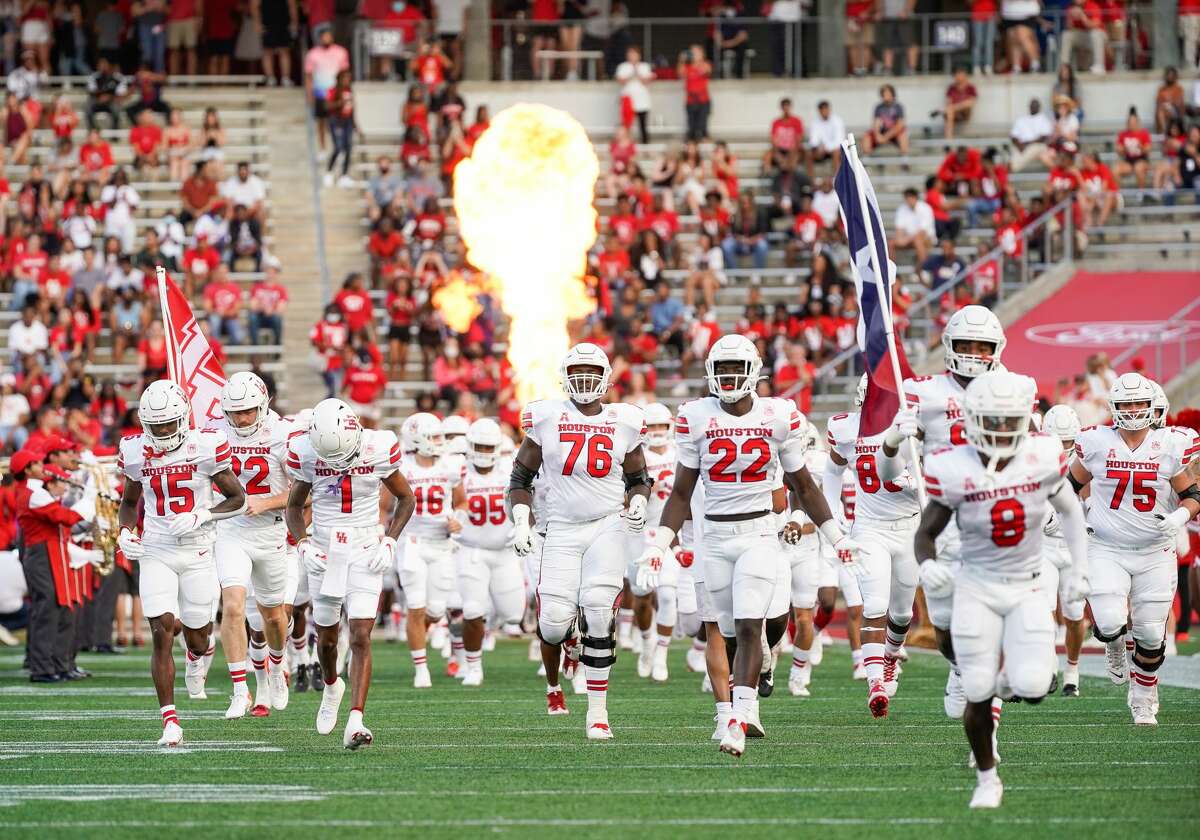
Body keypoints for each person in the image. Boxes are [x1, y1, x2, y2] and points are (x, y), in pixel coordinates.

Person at [642, 335, 860, 757]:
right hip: (715, 537)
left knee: (748, 626)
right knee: (725, 631)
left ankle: (740, 719)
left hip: (760, 534)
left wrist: (837, 536)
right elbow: (682, 494)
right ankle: (733, 711)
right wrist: (659, 544)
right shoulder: (695, 417)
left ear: (754, 372)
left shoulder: (778, 416)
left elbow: (804, 485)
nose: (727, 377)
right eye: (720, 369)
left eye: (734, 369)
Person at [913, 370, 1090, 809]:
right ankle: (987, 777)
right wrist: (928, 563)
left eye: (1010, 420)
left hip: (1029, 584)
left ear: (1024, 420)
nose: (1001, 430)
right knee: (975, 686)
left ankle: (1004, 682)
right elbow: (926, 531)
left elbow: (1070, 513)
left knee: (1032, 683)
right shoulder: (953, 466)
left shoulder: (1041, 456)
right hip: (976, 585)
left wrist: (1080, 568)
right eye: (992, 420)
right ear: (973, 420)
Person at [884, 306, 1011, 740]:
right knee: (943, 625)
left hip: (995, 515)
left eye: (983, 346)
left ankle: (986, 707)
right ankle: (960, 667)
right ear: (949, 347)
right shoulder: (921, 393)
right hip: (942, 522)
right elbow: (886, 476)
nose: (974, 355)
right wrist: (893, 442)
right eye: (966, 345)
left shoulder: (1014, 390)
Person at [508, 343, 648, 734]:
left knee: (600, 608)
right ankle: (568, 644)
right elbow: (520, 479)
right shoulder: (545, 417)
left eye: (591, 371)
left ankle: (598, 713)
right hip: (561, 527)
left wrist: (638, 502)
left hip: (607, 524)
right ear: (563, 377)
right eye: (577, 372)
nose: (584, 380)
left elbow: (639, 479)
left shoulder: (626, 420)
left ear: (606, 377)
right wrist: (521, 520)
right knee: (552, 624)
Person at [116, 380, 247, 745]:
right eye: (154, 426)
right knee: (161, 629)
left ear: (182, 418)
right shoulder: (135, 451)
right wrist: (125, 533)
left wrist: (202, 514)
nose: (160, 432)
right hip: (157, 546)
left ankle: (196, 653)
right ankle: (170, 721)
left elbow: (237, 499)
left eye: (166, 424)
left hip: (198, 549)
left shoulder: (203, 445)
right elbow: (129, 503)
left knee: (198, 631)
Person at [285, 398, 416, 748]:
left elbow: (406, 498)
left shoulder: (378, 446)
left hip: (364, 547)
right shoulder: (306, 451)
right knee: (327, 640)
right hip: (325, 547)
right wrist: (302, 543)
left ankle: (356, 719)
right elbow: (294, 506)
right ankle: (332, 687)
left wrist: (389, 540)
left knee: (360, 634)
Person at [1071, 373, 1199, 725]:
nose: (1132, 409)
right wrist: (1064, 517)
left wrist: (1179, 517)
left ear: (1151, 406)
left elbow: (1193, 494)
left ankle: (1143, 696)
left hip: (1155, 549)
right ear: (1113, 407)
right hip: (1106, 546)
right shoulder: (1097, 442)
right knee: (1110, 620)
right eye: (1126, 403)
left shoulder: (1169, 445)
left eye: (1138, 402)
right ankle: (1113, 644)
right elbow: (1070, 484)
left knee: (1152, 632)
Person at [821, 375, 919, 717]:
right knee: (874, 603)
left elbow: (932, 472)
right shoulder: (844, 429)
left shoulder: (910, 426)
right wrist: (833, 520)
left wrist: (912, 481)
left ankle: (890, 657)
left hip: (909, 527)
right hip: (869, 528)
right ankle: (876, 683)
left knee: (903, 613)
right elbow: (831, 472)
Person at [212, 373, 294, 719]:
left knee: (273, 617)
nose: (241, 419)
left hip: (272, 531)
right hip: (231, 529)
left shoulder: (284, 434)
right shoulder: (215, 432)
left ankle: (276, 667)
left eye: (247, 411)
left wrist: (265, 503)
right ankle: (239, 689)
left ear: (262, 405)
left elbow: (304, 491)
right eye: (235, 412)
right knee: (232, 605)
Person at [452, 419, 523, 685]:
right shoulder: (458, 471)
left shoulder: (510, 470)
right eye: (478, 445)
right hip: (471, 551)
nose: (483, 451)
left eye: (488, 446)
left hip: (504, 553)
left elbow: (530, 499)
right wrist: (450, 518)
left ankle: (492, 623)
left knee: (513, 615)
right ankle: (473, 666)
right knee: (471, 610)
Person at [397, 413, 462, 686]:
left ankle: (416, 637)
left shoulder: (449, 467)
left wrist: (458, 519)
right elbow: (383, 505)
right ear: (416, 438)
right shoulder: (402, 467)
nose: (438, 442)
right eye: (433, 437)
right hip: (412, 541)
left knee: (435, 611)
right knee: (415, 606)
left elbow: (461, 502)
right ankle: (420, 668)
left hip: (441, 544)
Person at [627, 403, 686, 682]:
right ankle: (648, 641)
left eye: (661, 426)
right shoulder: (635, 456)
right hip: (642, 532)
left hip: (671, 531)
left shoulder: (680, 453)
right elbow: (624, 498)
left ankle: (661, 652)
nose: (657, 432)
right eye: (651, 427)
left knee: (667, 593)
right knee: (641, 598)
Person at [304, 24, 350, 154]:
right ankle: (322, 148)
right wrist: (309, 95)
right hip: (320, 92)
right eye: (324, 37)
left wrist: (345, 93)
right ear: (319, 38)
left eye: (328, 36)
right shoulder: (312, 54)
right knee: (321, 122)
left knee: (338, 121)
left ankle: (339, 149)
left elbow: (345, 75)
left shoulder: (341, 52)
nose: (326, 39)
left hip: (336, 92)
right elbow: (309, 77)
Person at [324, 69, 361, 188]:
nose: (347, 80)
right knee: (338, 147)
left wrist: (356, 124)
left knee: (348, 147)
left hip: (348, 121)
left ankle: (344, 175)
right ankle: (329, 172)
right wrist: (340, 102)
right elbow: (327, 106)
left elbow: (352, 109)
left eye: (349, 78)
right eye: (344, 78)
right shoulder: (333, 91)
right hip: (336, 120)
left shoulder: (350, 91)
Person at [614, 45, 652, 144]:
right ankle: (626, 144)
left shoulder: (644, 66)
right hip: (628, 101)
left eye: (634, 54)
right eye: (630, 54)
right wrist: (631, 73)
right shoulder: (623, 66)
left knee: (643, 125)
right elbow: (620, 80)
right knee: (626, 125)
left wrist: (637, 71)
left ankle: (645, 145)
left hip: (642, 102)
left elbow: (647, 80)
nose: (632, 56)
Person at [861, 84, 909, 157]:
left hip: (894, 133)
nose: (884, 95)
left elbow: (899, 125)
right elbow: (876, 123)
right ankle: (867, 160)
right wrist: (878, 135)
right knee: (866, 137)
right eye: (883, 93)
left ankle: (905, 161)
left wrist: (886, 137)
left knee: (903, 136)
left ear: (892, 94)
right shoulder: (878, 107)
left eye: (886, 93)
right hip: (882, 132)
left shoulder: (898, 107)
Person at [891, 188, 935, 264]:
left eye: (910, 198)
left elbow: (922, 232)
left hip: (927, 238)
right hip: (910, 239)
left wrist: (904, 240)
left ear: (915, 198)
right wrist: (900, 240)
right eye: (907, 198)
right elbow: (899, 229)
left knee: (918, 241)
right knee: (891, 243)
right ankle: (890, 270)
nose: (908, 200)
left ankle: (923, 268)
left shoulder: (926, 208)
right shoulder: (902, 209)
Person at [1061, 0, 1106, 74]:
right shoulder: (1070, 8)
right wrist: (1070, 18)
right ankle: (1064, 67)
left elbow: (1095, 25)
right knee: (1066, 35)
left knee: (1095, 33)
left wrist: (1082, 16)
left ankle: (1099, 65)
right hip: (1083, 37)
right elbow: (1069, 28)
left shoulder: (1092, 5)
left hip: (1098, 37)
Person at [1009, 98, 1054, 172]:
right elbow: (1013, 136)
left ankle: (1013, 168)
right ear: (1029, 106)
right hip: (1021, 145)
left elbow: (1043, 138)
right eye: (1032, 105)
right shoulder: (1022, 119)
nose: (1033, 107)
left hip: (1037, 145)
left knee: (1032, 149)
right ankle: (1011, 168)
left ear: (1039, 107)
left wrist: (1026, 144)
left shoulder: (1044, 120)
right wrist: (1019, 145)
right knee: (1015, 151)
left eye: (1035, 105)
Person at [678, 44, 711, 142]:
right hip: (690, 101)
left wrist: (698, 61)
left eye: (697, 52)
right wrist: (682, 60)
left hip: (703, 100)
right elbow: (680, 73)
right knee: (691, 127)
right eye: (692, 52)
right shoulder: (686, 66)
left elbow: (706, 70)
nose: (694, 54)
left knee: (703, 126)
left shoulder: (705, 64)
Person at [85, 57, 128, 129]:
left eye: (105, 64)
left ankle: (114, 132)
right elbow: (91, 90)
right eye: (101, 65)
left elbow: (121, 93)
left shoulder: (118, 78)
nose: (103, 67)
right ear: (98, 66)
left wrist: (109, 97)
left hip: (112, 102)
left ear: (109, 65)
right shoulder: (94, 77)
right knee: (87, 108)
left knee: (116, 109)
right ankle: (93, 130)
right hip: (97, 101)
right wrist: (100, 95)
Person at [878, 0, 918, 76]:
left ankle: (912, 69)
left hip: (905, 18)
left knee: (910, 43)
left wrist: (906, 11)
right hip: (888, 18)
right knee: (887, 44)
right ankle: (887, 69)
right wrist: (881, 11)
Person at [806, 100, 845, 179]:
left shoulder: (837, 121)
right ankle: (811, 181)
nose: (824, 111)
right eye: (822, 109)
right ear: (819, 111)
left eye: (825, 109)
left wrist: (826, 147)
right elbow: (813, 139)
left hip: (834, 149)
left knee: (836, 152)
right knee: (808, 155)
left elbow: (839, 140)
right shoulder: (815, 122)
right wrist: (819, 147)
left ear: (829, 109)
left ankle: (836, 179)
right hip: (821, 150)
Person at [1000, 0, 1041, 73]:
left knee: (1023, 37)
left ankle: (1035, 63)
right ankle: (1016, 66)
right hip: (1009, 13)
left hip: (1026, 12)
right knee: (1012, 39)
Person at [939, 66, 978, 140]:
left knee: (950, 110)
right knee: (949, 112)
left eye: (960, 75)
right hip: (953, 113)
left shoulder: (970, 88)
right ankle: (949, 138)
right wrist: (952, 108)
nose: (958, 77)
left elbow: (971, 102)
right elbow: (948, 102)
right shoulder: (951, 88)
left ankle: (948, 139)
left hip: (965, 112)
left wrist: (955, 107)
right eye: (956, 75)